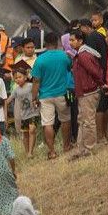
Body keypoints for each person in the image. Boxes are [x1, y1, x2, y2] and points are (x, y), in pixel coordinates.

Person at [30, 31, 72, 159]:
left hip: (45, 96)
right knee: (65, 120)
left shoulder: (40, 60)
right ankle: (66, 146)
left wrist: (34, 97)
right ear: (57, 42)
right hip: (62, 93)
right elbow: (69, 69)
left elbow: (36, 81)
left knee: (47, 123)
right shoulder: (64, 56)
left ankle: (52, 151)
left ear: (45, 44)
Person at [69, 30, 103, 159]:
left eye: (73, 40)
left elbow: (94, 71)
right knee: (82, 121)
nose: (71, 43)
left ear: (80, 41)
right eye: (70, 40)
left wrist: (100, 83)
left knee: (88, 121)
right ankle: (81, 149)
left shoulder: (83, 55)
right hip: (84, 92)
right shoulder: (81, 54)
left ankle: (89, 148)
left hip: (89, 91)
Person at [80, 18, 108, 141]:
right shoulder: (99, 35)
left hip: (98, 75)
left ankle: (100, 136)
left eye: (81, 28)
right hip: (105, 71)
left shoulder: (91, 38)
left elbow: (91, 59)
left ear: (86, 27)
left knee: (99, 108)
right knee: (106, 105)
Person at [5, 68, 39, 157]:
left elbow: (38, 95)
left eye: (20, 77)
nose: (18, 79)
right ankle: (27, 152)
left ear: (25, 77)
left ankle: (30, 152)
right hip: (23, 116)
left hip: (33, 113)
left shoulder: (31, 86)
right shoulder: (16, 90)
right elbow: (8, 100)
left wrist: (37, 101)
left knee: (32, 130)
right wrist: (2, 103)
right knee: (25, 134)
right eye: (16, 78)